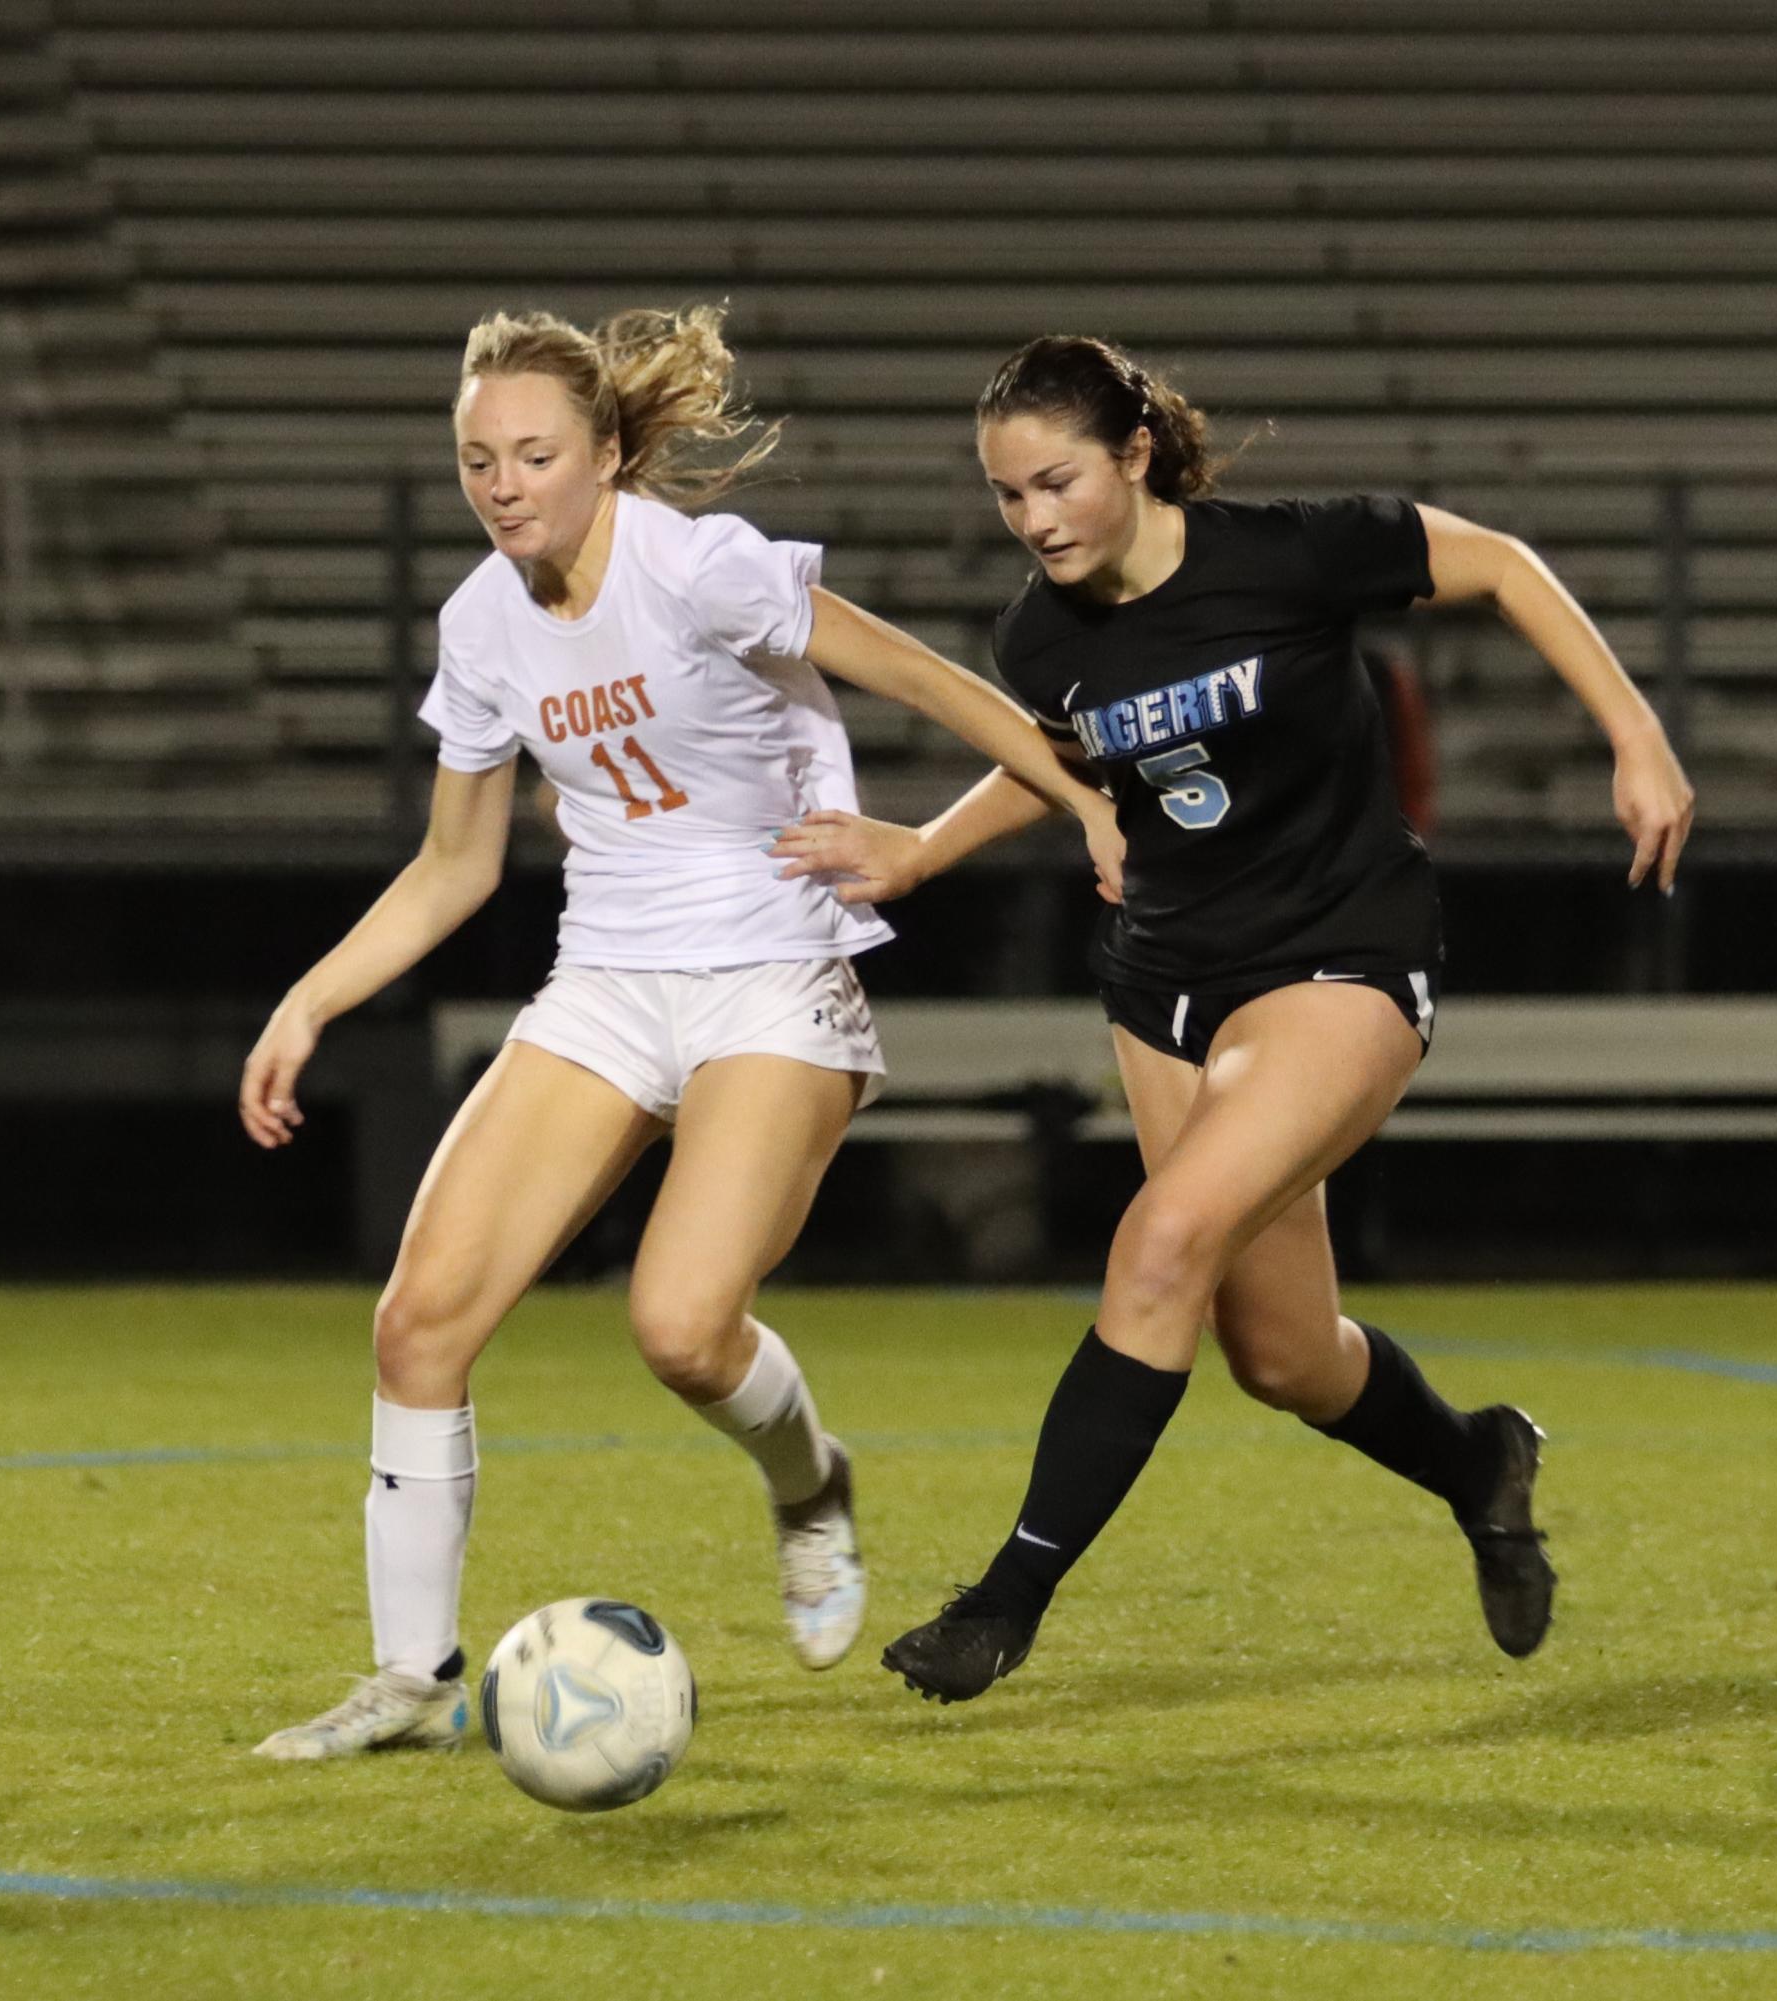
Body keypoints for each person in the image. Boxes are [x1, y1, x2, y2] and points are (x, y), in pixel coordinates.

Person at [239, 307, 1122, 1758]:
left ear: (602, 455)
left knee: (679, 1327)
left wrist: (1082, 801)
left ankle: (808, 1483)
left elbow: (935, 682)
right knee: (419, 1322)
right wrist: (311, 996)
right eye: (478, 458)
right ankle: (408, 1681)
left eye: (534, 453)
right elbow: (455, 866)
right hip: (606, 980)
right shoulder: (479, 624)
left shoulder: (700, 564)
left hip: (772, 970)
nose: (503, 483)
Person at [769, 335, 1695, 1703]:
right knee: (1279, 1355)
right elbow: (1065, 755)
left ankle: (1002, 1599)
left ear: (1134, 455)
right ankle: (1478, 1458)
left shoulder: (1288, 554)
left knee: (1161, 1240)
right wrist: (921, 847)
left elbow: (1497, 560)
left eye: (1056, 482)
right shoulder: (1039, 631)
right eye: (1007, 495)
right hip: (1162, 984)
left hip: (1339, 961)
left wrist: (1634, 733)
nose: (1033, 520)